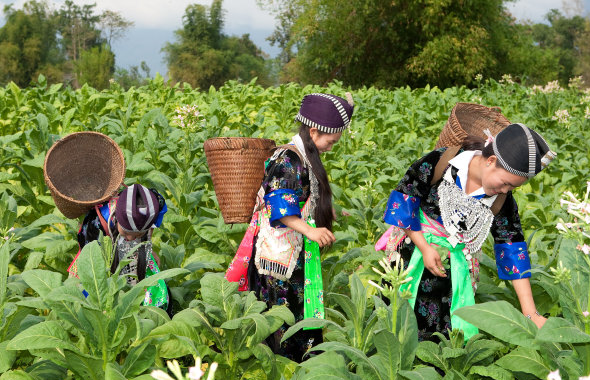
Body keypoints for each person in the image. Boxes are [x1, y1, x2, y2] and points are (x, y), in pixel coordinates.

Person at [378, 123, 556, 341]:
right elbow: (404, 199)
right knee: (394, 324)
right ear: (490, 161)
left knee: (442, 339)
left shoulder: (501, 199)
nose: (505, 191)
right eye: (505, 183)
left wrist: (531, 313)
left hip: (451, 277)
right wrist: (424, 247)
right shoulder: (442, 162)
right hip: (409, 258)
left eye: (512, 188)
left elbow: (511, 247)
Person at [226, 93, 354, 361]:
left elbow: (302, 198)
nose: (331, 146)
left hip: (292, 254)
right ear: (314, 130)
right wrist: (310, 230)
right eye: (330, 141)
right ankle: (281, 369)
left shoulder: (306, 156)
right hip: (278, 259)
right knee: (280, 315)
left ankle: (299, 366)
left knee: (297, 312)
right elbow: (279, 203)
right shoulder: (288, 159)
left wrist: (329, 211)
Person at [68, 184, 171, 314]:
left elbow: (152, 225)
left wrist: (149, 245)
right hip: (101, 255)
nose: (130, 238)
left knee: (150, 293)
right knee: (90, 300)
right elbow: (89, 259)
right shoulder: (97, 222)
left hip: (135, 252)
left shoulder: (154, 204)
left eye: (138, 234)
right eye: (126, 232)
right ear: (117, 219)